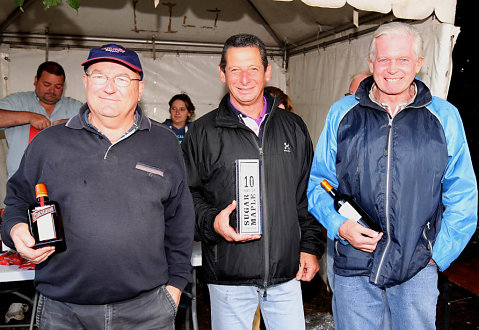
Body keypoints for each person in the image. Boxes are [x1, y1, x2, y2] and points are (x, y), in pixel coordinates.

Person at [1, 44, 195, 329]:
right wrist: (16, 228)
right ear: (85, 82)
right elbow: (18, 199)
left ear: (140, 89)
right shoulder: (49, 142)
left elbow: (180, 218)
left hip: (147, 311)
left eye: (121, 78)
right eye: (99, 76)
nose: (109, 87)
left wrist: (176, 286)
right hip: (63, 311)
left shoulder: (164, 143)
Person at [307, 22, 477, 330]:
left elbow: (463, 195)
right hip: (353, 265)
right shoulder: (342, 113)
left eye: (403, 59)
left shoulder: (444, 117)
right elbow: (319, 183)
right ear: (371, 64)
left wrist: (438, 255)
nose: (392, 68)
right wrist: (339, 226)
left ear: (419, 63)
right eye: (384, 59)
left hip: (416, 267)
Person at [182, 33, 324, 330]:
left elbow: (307, 194)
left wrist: (310, 246)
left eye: (253, 69)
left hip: (286, 275)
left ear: (267, 71)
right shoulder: (202, 132)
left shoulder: (293, 127)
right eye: (235, 69)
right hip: (228, 276)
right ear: (222, 73)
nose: (244, 78)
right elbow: (186, 196)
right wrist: (212, 222)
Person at [0, 61, 82, 178]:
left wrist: (73, 124)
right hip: (22, 184)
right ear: (35, 80)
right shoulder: (17, 101)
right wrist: (28, 117)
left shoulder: (74, 107)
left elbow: (99, 128)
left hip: (63, 183)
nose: (52, 91)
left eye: (58, 87)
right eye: (47, 85)